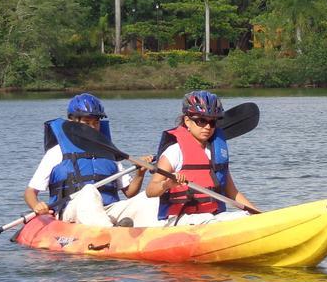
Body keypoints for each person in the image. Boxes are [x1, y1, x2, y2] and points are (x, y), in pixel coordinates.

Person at [24, 93, 156, 227]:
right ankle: (110, 232)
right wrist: (37, 205)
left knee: (147, 198)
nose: (92, 127)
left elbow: (130, 193)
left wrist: (140, 173)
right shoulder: (57, 152)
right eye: (87, 123)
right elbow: (30, 192)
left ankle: (155, 232)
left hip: (108, 210)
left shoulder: (108, 151)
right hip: (71, 211)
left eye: (96, 123)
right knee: (88, 191)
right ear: (71, 122)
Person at [144, 90, 258, 226]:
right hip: (181, 220)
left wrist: (258, 214)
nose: (207, 127)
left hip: (213, 216)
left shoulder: (216, 153)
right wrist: (168, 184)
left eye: (212, 122)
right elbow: (150, 191)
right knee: (210, 221)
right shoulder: (174, 152)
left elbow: (232, 193)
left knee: (246, 217)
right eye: (201, 121)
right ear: (187, 121)